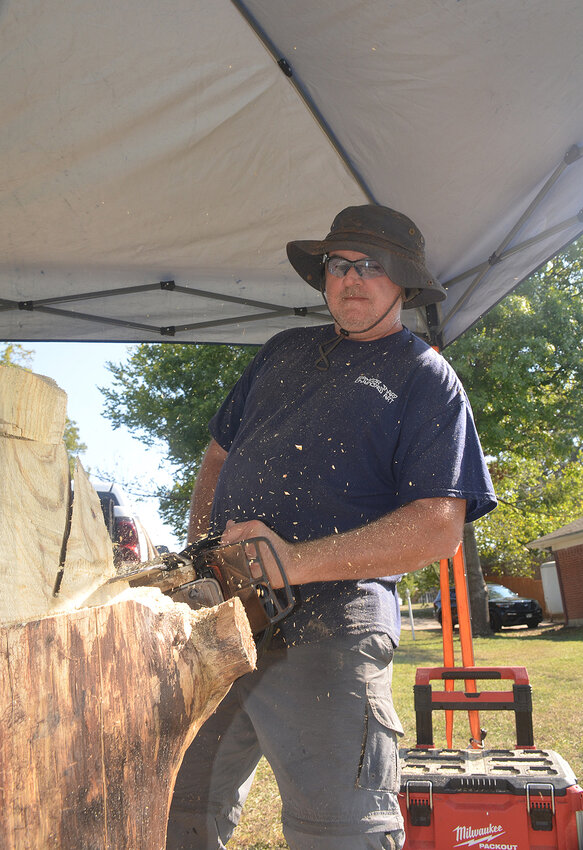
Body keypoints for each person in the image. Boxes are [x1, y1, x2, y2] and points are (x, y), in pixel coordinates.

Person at [166, 205, 497, 850]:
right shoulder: (281, 352)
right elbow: (217, 458)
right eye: (338, 265)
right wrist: (203, 550)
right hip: (223, 615)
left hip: (332, 625)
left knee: (339, 831)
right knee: (179, 810)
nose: (350, 279)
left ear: (404, 282)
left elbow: (436, 526)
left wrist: (290, 561)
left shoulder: (425, 377)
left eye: (370, 266)